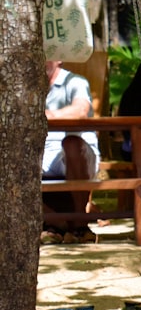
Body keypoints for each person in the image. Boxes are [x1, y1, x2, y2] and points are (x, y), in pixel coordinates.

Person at [41, 60, 100, 244]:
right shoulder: (25, 84)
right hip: (40, 153)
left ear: (58, 59)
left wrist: (48, 115)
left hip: (76, 155)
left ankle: (79, 222)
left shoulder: (75, 81)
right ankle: (59, 222)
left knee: (72, 143)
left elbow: (81, 109)